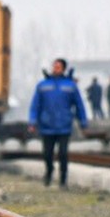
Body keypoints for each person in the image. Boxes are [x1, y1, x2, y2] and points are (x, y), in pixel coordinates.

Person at [28, 58, 89, 187]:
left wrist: (83, 123)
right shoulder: (43, 86)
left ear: (63, 69)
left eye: (58, 67)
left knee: (63, 153)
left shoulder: (70, 86)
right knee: (47, 154)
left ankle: (63, 179)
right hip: (46, 126)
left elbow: (79, 105)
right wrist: (32, 122)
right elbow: (35, 105)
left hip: (64, 126)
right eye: (54, 66)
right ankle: (49, 172)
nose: (55, 69)